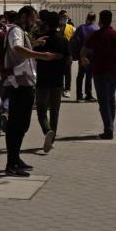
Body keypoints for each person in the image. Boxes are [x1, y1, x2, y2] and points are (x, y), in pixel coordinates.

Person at [3, 6, 59, 175]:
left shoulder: (20, 31)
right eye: (33, 17)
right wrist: (41, 55)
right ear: (24, 16)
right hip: (19, 84)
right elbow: (17, 49)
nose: (35, 21)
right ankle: (11, 163)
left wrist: (34, 44)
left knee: (22, 124)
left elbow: (20, 50)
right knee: (17, 125)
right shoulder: (16, 31)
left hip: (24, 83)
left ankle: (15, 159)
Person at [82, 10, 116, 139]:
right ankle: (110, 125)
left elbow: (84, 50)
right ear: (110, 20)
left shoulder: (96, 35)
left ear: (100, 20)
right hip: (114, 72)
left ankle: (108, 129)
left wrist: (84, 58)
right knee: (110, 99)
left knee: (103, 102)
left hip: (99, 72)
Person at [35, 11, 70, 153]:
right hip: (57, 81)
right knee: (55, 112)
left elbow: (34, 55)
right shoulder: (63, 40)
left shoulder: (42, 39)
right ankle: (52, 139)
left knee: (41, 110)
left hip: (43, 80)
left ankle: (47, 130)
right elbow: (68, 61)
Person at [71, 13, 99, 101]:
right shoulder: (96, 29)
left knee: (80, 75)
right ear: (95, 19)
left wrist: (76, 54)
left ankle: (79, 96)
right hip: (92, 55)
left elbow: (74, 41)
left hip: (82, 54)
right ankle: (89, 94)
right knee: (89, 75)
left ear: (86, 18)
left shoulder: (81, 28)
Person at [59, 10, 75, 97]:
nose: (65, 18)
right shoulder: (56, 27)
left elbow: (74, 39)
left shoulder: (71, 27)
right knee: (59, 72)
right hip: (58, 53)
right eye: (63, 17)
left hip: (67, 53)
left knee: (68, 72)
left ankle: (67, 89)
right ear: (59, 17)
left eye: (66, 17)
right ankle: (60, 88)